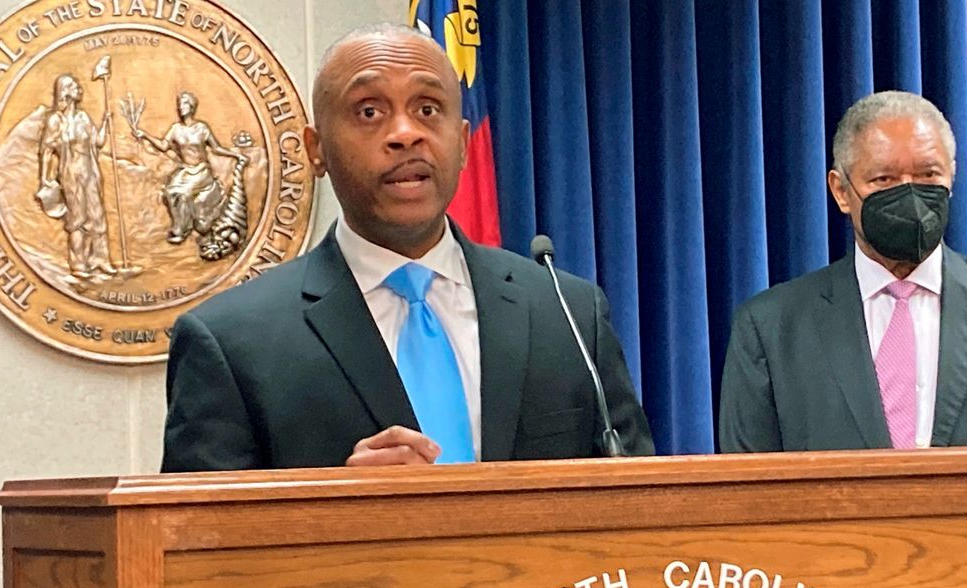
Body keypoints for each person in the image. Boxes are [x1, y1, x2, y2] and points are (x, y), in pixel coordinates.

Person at [161, 23, 652, 471]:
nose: (405, 134)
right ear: (316, 150)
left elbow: (642, 514)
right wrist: (336, 512)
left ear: (461, 143)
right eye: (369, 111)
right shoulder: (230, 342)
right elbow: (196, 550)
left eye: (427, 109)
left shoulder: (567, 314)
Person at [719, 91, 967, 452]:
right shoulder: (770, 326)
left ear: (952, 176)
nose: (910, 196)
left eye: (928, 175)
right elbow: (747, 493)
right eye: (884, 180)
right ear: (841, 191)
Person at [131, 91, 244, 245]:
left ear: (191, 107)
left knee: (183, 193)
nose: (180, 107)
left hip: (201, 171)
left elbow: (216, 148)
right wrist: (144, 135)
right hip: (185, 171)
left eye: (184, 103)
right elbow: (164, 146)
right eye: (179, 104)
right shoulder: (176, 129)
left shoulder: (202, 128)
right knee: (170, 192)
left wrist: (236, 155)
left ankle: (181, 230)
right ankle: (180, 225)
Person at [37, 74, 117, 280]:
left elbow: (97, 142)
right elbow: (46, 150)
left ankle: (100, 259)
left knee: (97, 214)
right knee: (77, 218)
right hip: (70, 174)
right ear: (64, 92)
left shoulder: (83, 118)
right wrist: (45, 178)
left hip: (91, 172)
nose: (79, 88)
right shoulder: (56, 120)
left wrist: (106, 124)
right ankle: (78, 262)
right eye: (74, 86)